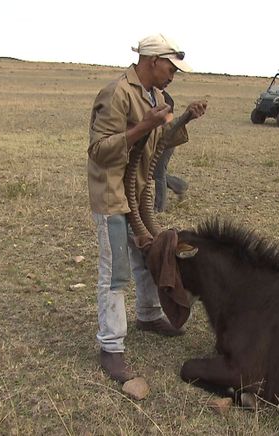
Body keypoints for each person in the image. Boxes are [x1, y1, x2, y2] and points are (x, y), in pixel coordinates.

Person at [87, 33, 207, 383]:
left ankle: (149, 315)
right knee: (116, 272)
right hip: (112, 194)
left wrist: (184, 117)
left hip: (139, 191)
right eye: (171, 67)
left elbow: (161, 143)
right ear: (153, 61)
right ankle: (111, 347)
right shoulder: (117, 93)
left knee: (147, 257)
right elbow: (99, 151)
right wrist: (144, 126)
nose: (173, 74)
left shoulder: (159, 95)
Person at [153, 90, 189, 212]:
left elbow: (168, 125)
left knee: (158, 173)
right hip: (154, 140)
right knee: (150, 172)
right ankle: (179, 185)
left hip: (165, 140)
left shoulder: (165, 99)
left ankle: (159, 209)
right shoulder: (148, 94)